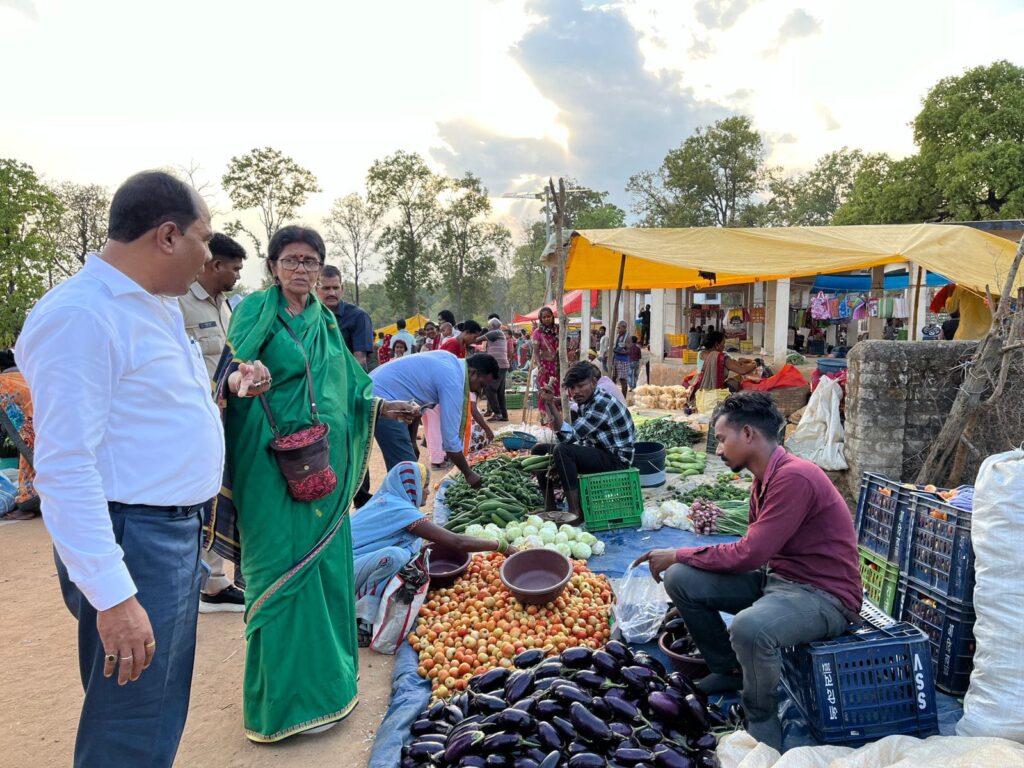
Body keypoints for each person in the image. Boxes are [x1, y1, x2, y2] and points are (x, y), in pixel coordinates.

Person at [16, 171, 223, 767]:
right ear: (166, 236)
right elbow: (64, 466)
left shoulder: (150, 307)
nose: (208, 255)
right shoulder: (83, 315)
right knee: (130, 722)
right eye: (202, 239)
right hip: (134, 535)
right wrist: (113, 597)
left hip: (168, 530)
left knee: (153, 708)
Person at [218, 224, 415, 742]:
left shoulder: (327, 322)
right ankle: (280, 707)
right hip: (266, 461)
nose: (301, 269)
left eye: (310, 261)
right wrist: (243, 381)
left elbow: (349, 385)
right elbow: (230, 375)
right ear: (274, 265)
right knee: (277, 568)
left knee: (326, 570)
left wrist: (378, 406)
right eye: (291, 260)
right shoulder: (256, 311)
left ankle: (327, 692)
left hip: (320, 463)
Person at [634, 392, 861, 751]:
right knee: (681, 579)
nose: (719, 450)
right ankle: (727, 670)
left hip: (823, 596)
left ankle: (762, 722)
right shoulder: (763, 479)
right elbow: (753, 552)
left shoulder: (795, 478)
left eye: (723, 439)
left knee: (750, 627)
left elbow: (750, 554)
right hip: (778, 580)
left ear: (749, 434)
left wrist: (680, 551)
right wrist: (684, 561)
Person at [351, 461, 514, 645]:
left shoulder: (388, 500)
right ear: (410, 487)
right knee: (396, 557)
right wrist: (501, 546)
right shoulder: (399, 509)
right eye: (424, 487)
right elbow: (457, 542)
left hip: (351, 566)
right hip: (340, 575)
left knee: (410, 553)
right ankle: (361, 621)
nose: (428, 492)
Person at [178, 231, 247, 613]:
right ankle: (206, 582)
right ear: (214, 264)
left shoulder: (225, 306)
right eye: (234, 268)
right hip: (195, 421)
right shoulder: (180, 303)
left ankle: (216, 581)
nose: (237, 275)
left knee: (222, 496)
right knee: (203, 498)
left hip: (224, 416)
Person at [365, 352, 499, 494]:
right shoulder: (453, 382)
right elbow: (450, 441)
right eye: (481, 384)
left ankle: (366, 498)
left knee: (366, 461)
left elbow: (417, 406)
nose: (480, 391)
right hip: (383, 400)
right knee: (408, 472)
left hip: (372, 390)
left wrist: (412, 441)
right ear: (473, 373)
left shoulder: (451, 361)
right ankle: (402, 512)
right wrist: (469, 474)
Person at [530, 362, 636, 524]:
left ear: (593, 382)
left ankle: (575, 512)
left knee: (563, 450)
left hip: (616, 461)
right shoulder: (588, 399)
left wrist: (551, 404)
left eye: (581, 386)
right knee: (539, 450)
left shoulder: (601, 403)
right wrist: (553, 402)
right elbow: (574, 437)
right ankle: (550, 507)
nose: (576, 392)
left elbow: (567, 438)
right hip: (599, 450)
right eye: (572, 388)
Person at [0, 350, 37, 520]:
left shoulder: (4, 382)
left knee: (27, 448)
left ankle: (28, 502)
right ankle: (30, 499)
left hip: (28, 426)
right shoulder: (25, 374)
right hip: (41, 424)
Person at [317, 264, 374, 368]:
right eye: (326, 288)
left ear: (342, 289)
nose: (332, 293)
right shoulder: (312, 316)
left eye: (335, 288)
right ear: (317, 290)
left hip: (348, 380)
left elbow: (360, 361)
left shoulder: (359, 316)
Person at [688, 331, 757, 401]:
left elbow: (735, 362)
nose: (724, 346)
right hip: (717, 392)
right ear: (717, 345)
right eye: (723, 343)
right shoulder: (721, 357)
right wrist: (755, 364)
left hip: (700, 391)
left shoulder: (700, 354)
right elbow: (742, 370)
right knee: (737, 380)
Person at [483, 318, 510, 422]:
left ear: (493, 326)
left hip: (498, 365)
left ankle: (497, 413)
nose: (488, 328)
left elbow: (479, 339)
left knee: (489, 389)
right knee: (499, 392)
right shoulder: (500, 333)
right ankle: (504, 415)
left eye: (489, 326)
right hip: (502, 365)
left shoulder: (495, 332)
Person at [532, 307, 560, 397]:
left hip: (558, 365)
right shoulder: (538, 332)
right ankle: (546, 410)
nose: (546, 319)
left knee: (558, 389)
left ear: (552, 316)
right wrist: (539, 366)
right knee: (545, 390)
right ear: (541, 319)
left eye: (548, 316)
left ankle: (557, 410)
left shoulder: (559, 330)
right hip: (545, 366)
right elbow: (536, 352)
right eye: (544, 317)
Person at [611, 320, 631, 398]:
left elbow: (629, 351)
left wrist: (618, 351)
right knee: (613, 378)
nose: (618, 330)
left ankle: (623, 398)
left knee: (622, 380)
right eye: (617, 328)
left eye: (619, 328)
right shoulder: (619, 336)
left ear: (624, 328)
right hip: (616, 359)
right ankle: (612, 396)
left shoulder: (628, 337)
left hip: (623, 361)